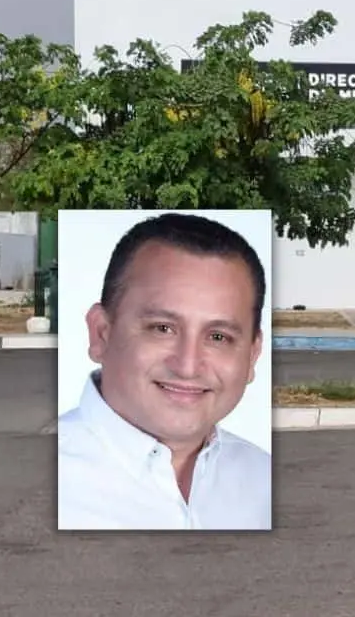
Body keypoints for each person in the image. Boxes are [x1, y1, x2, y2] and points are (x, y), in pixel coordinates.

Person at [57, 212, 271, 531]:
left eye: (218, 337)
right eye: (162, 328)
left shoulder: (264, 481)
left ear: (253, 355)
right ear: (101, 334)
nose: (187, 366)